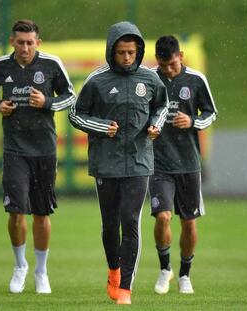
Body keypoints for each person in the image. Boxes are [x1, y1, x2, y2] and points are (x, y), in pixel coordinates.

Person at [69, 21, 168, 305]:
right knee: (110, 224)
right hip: (105, 163)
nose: (127, 58)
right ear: (111, 51)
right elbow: (76, 115)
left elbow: (161, 106)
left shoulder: (150, 79)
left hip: (139, 162)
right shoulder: (96, 80)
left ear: (138, 51)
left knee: (130, 220)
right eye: (122, 52)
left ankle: (125, 287)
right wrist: (102, 127)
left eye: (132, 53)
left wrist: (155, 125)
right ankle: (113, 271)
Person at [0, 20, 76, 294]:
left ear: (38, 42)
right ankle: (19, 266)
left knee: (40, 212)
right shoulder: (0, 66)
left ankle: (41, 271)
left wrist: (47, 103)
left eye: (30, 43)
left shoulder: (51, 64)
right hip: (14, 150)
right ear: (12, 41)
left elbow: (70, 96)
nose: (25, 48)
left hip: (44, 151)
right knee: (15, 211)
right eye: (20, 42)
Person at [149, 35, 217, 295]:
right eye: (164, 65)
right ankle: (165, 268)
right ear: (158, 61)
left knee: (189, 222)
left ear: (181, 56)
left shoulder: (196, 80)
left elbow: (211, 113)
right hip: (158, 163)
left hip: (188, 163)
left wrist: (192, 122)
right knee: (163, 216)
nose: (168, 70)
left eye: (173, 65)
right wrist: (149, 129)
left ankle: (185, 274)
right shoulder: (150, 80)